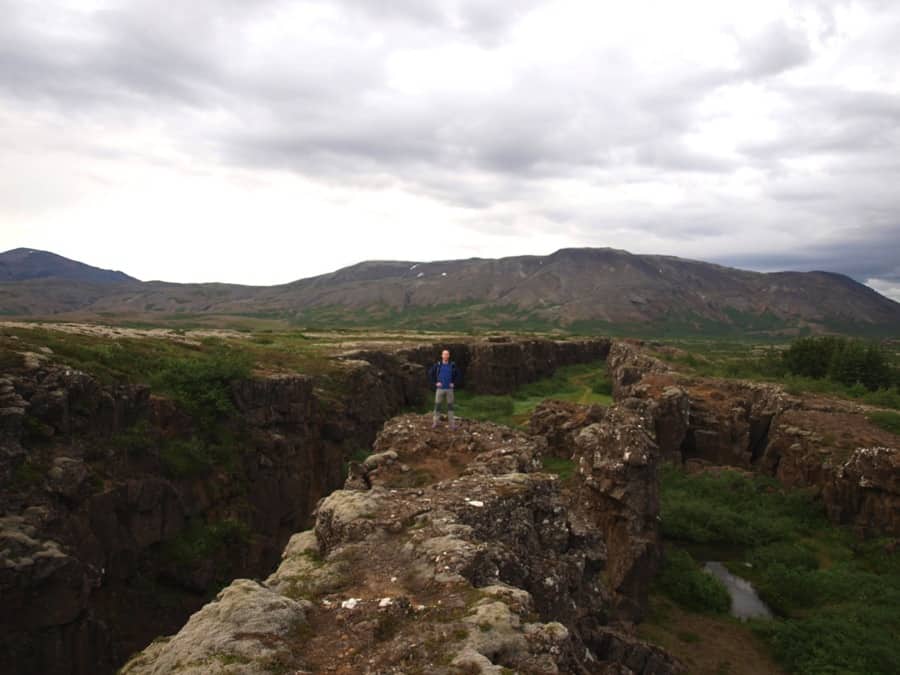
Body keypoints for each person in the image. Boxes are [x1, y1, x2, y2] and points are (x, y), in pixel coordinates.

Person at [428, 349, 459, 428]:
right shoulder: (438, 365)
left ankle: (452, 424)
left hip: (449, 389)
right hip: (440, 389)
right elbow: (430, 373)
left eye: (447, 354)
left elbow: (458, 374)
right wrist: (435, 383)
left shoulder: (452, 365)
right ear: (442, 356)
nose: (445, 356)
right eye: (444, 354)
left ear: (449, 356)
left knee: (450, 406)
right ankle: (435, 422)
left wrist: (453, 383)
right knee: (437, 406)